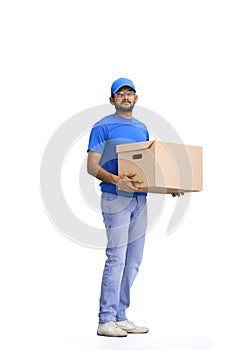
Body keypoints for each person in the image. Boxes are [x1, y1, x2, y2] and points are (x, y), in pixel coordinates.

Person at [87, 77, 181, 337]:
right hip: (115, 198)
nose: (126, 98)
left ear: (136, 99)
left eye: (130, 93)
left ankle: (120, 315)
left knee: (134, 260)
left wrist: (168, 184)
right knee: (117, 258)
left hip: (141, 200)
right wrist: (117, 180)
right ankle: (105, 320)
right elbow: (92, 166)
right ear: (112, 100)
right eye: (120, 94)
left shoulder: (142, 128)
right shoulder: (102, 126)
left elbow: (145, 166)